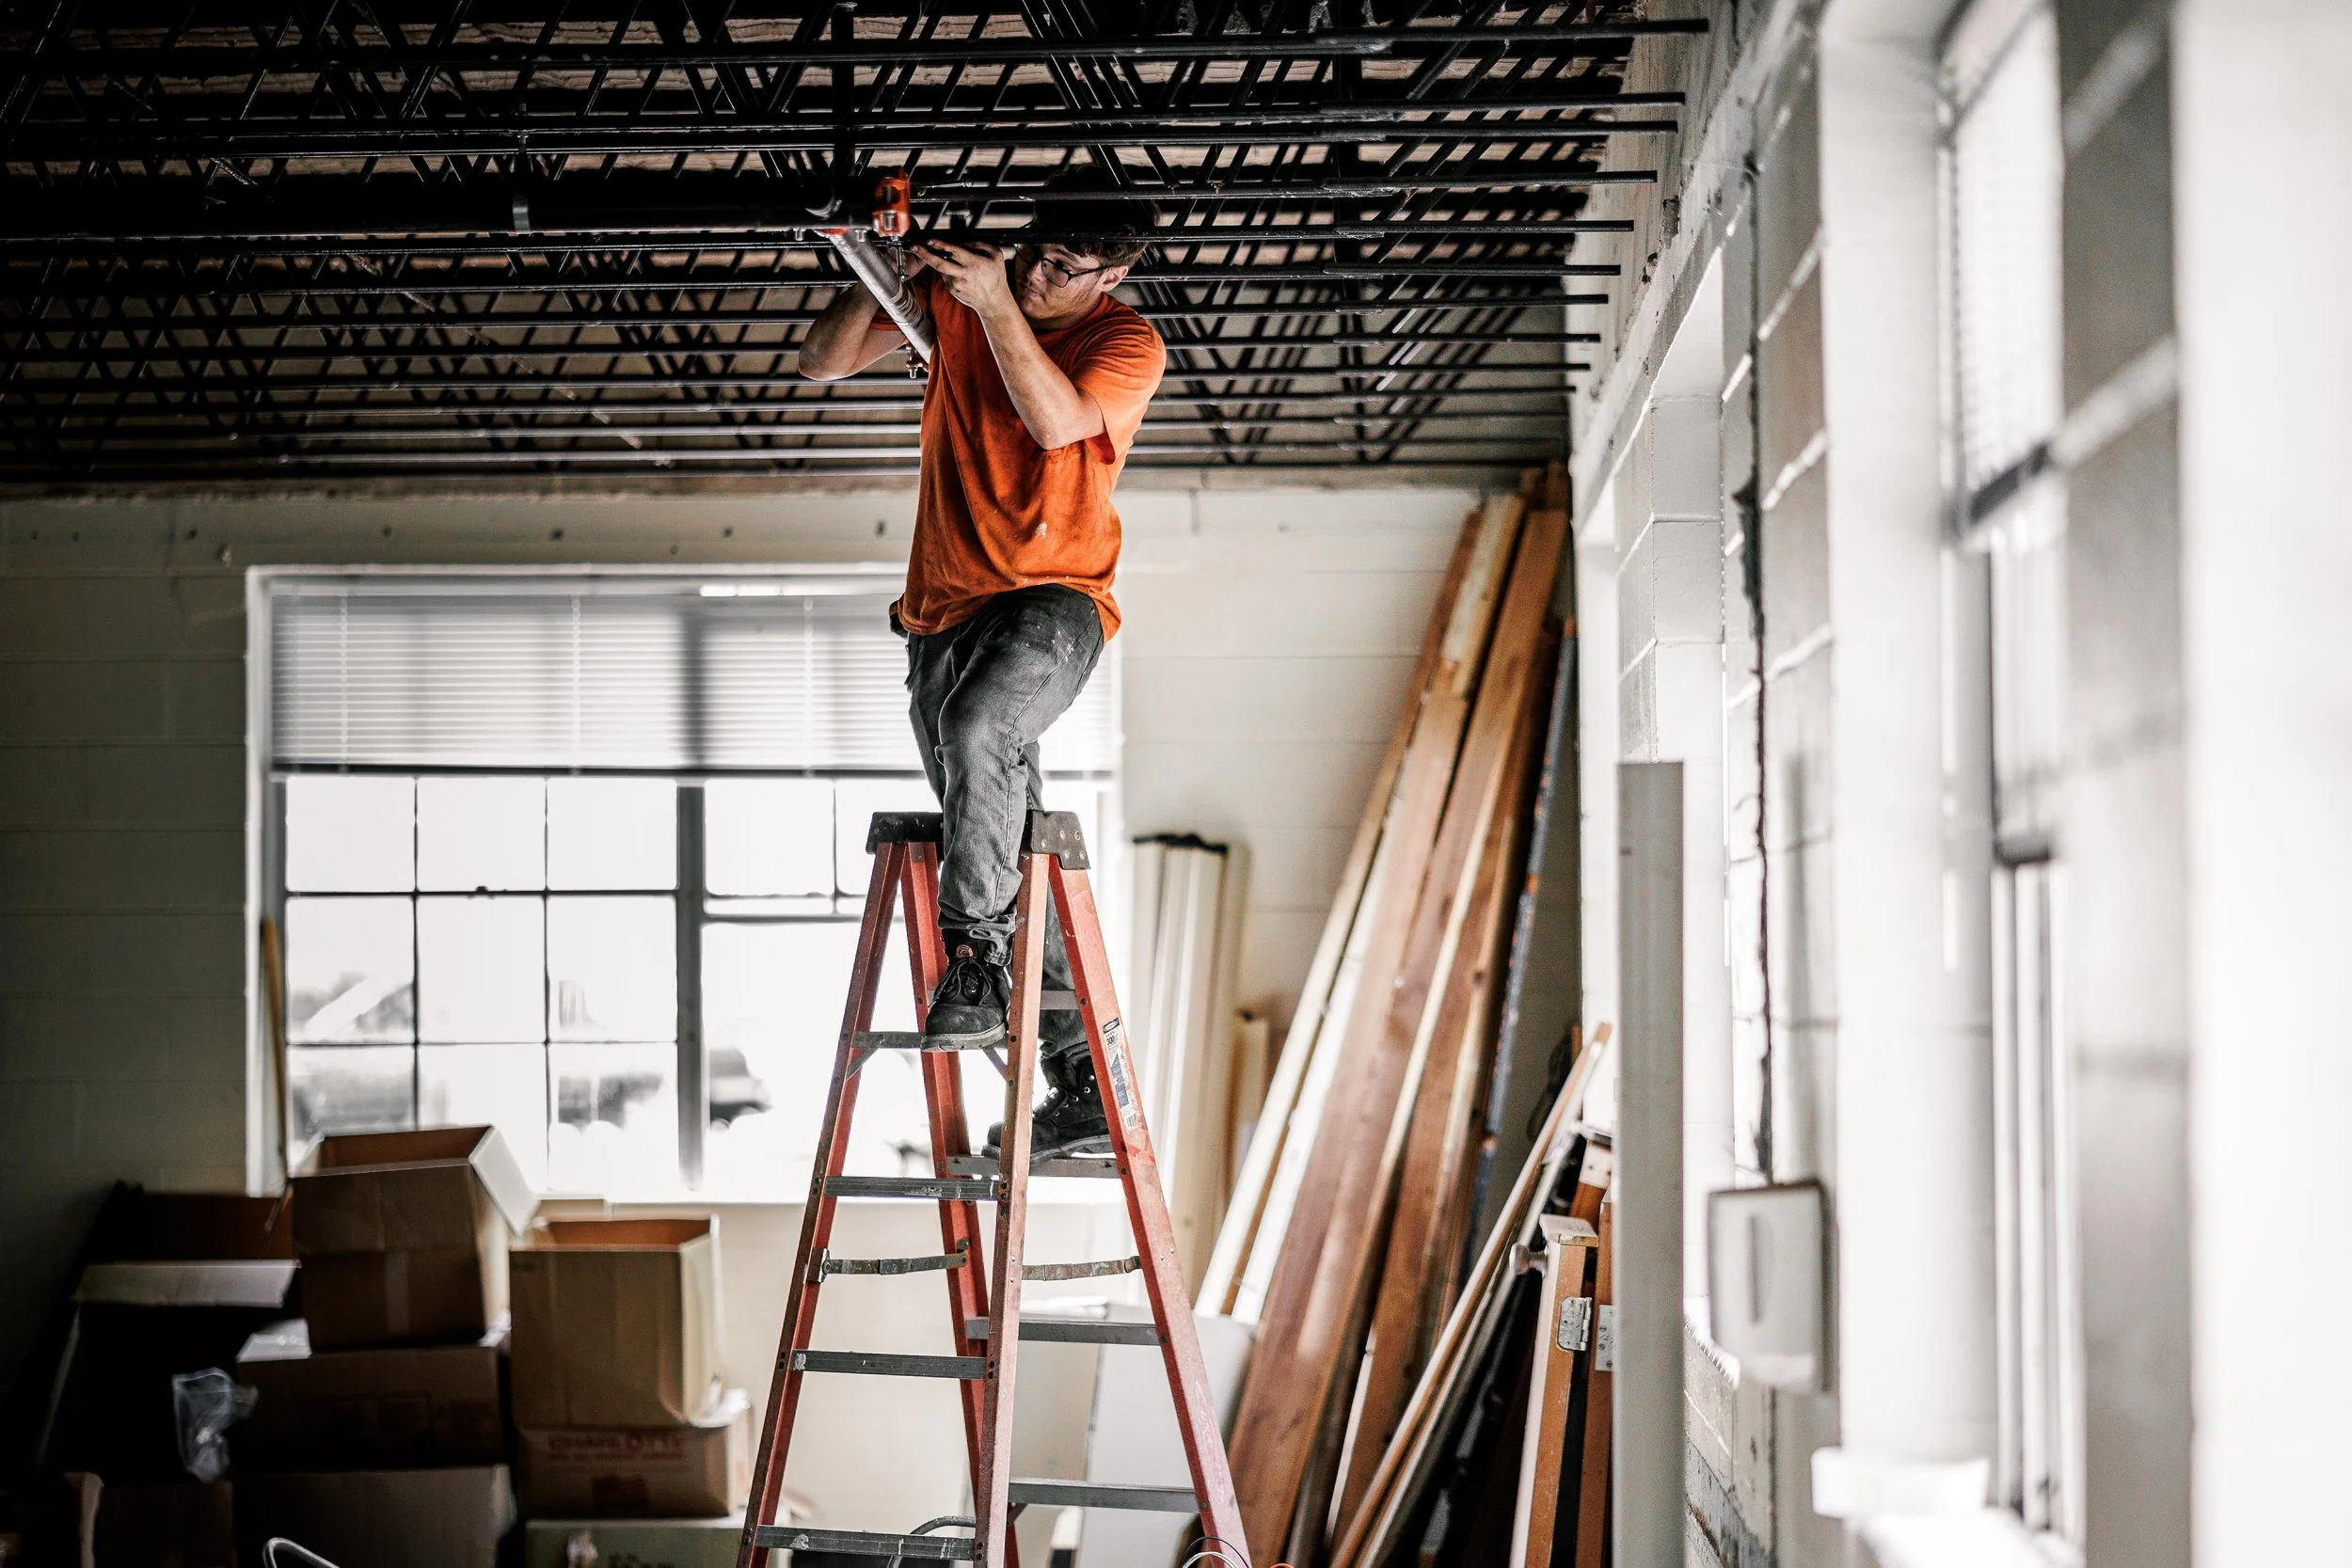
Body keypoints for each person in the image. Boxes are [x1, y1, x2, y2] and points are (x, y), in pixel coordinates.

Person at [799, 173, 1166, 1157]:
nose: (1040, 275)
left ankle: (970, 960)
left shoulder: (1124, 343)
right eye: (1034, 252)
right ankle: (1079, 1074)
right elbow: (820, 361)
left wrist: (998, 302)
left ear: (1114, 273)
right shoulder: (970, 301)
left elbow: (1055, 424)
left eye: (1065, 268)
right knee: (996, 824)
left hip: (1056, 597)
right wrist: (885, 279)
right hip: (939, 611)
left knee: (976, 730)